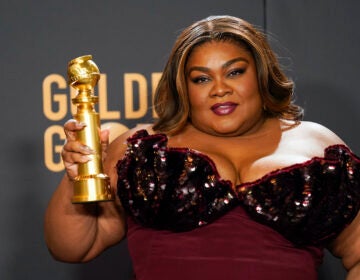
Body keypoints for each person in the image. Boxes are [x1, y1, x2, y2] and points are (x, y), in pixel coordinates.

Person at [44, 15, 360, 279]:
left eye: (235, 72)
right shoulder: (141, 148)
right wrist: (76, 177)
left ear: (261, 75)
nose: (220, 89)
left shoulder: (319, 146)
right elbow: (74, 248)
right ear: (184, 88)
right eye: (201, 79)